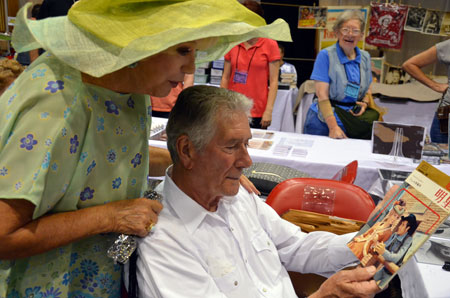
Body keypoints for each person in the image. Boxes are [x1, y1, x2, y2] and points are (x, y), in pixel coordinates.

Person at [0, 0, 290, 297]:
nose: (191, 66)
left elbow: (104, 157)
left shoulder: (131, 89)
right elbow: (3, 234)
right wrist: (108, 217)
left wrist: (209, 164)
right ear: (138, 44)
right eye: (182, 50)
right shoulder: (58, 102)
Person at [136, 85, 380, 298]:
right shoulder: (163, 240)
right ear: (187, 151)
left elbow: (295, 246)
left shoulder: (236, 195)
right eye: (232, 146)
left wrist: (370, 240)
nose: (247, 161)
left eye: (247, 144)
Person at [304, 10, 381, 140]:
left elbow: (368, 86)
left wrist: (365, 102)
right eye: (345, 29)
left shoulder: (365, 57)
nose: (350, 34)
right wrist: (333, 127)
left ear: (362, 35)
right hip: (324, 120)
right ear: (337, 32)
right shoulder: (326, 55)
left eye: (355, 31)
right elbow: (322, 95)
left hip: (351, 119)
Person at [220, 0, 281, 129]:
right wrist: (221, 105)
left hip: (257, 110)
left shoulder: (270, 44)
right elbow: (225, 77)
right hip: (233, 107)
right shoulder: (232, 41)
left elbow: (274, 81)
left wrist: (268, 111)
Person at [402, 39, 450, 143]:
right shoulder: (448, 46)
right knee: (441, 157)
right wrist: (436, 86)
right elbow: (410, 65)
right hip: (447, 117)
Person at [373, 214, 418, 285]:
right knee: (371, 279)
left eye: (403, 225)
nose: (399, 227)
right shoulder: (395, 235)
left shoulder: (408, 240)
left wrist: (383, 251)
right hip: (385, 268)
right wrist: (376, 244)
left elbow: (396, 258)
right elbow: (385, 245)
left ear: (407, 229)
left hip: (393, 275)